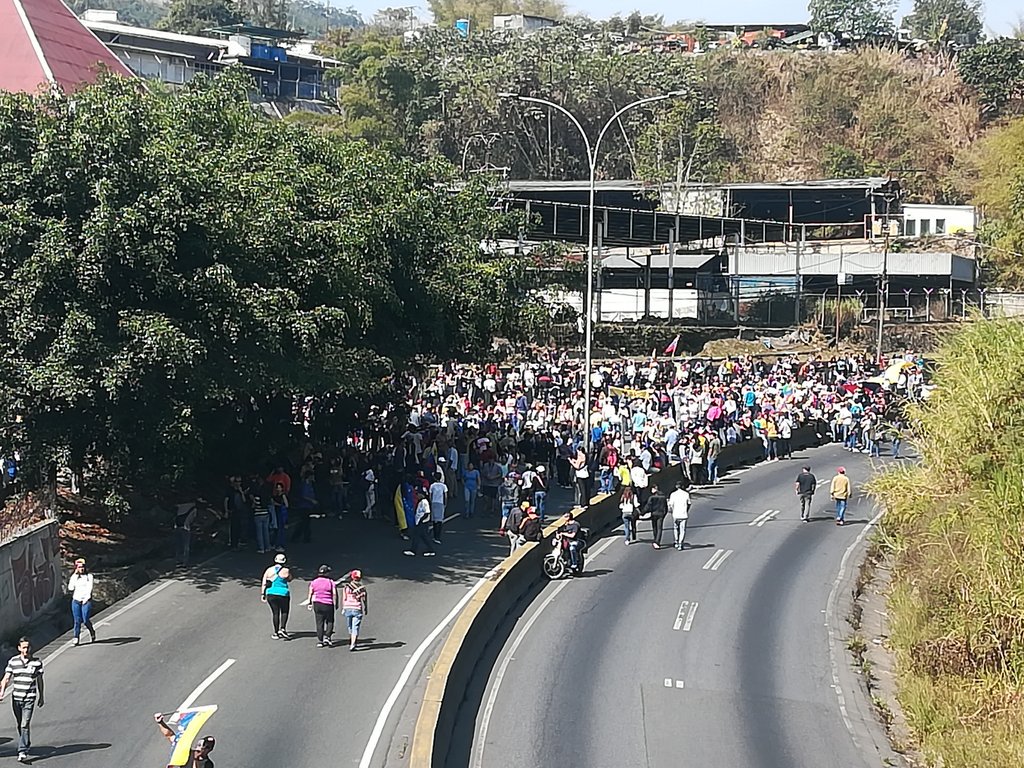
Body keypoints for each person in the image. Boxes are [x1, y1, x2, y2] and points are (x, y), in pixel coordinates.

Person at [0, 637, 44, 763]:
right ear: (19, 648)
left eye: (28, 647)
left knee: (25, 724)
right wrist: (2, 691)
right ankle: (26, 741)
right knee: (20, 724)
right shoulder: (13, 662)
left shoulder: (37, 663)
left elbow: (40, 680)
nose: (26, 650)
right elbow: (6, 678)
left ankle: (22, 750)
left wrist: (41, 696)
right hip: (16, 698)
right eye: (23, 647)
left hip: (29, 698)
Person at [261, 553, 293, 639]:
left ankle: (276, 632)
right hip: (283, 593)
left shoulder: (268, 570)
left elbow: (264, 582)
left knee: (275, 613)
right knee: (284, 611)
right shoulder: (286, 570)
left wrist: (263, 594)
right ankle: (283, 628)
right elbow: (290, 579)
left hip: (271, 593)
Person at [307, 565, 338, 648]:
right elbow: (334, 594)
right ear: (327, 573)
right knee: (330, 621)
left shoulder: (314, 582)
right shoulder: (331, 582)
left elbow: (310, 593)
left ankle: (320, 641)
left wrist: (309, 603)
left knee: (319, 622)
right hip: (328, 603)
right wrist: (336, 603)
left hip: (317, 603)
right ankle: (328, 636)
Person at [68, 558, 96, 646]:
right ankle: (76, 637)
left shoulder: (89, 576)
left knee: (85, 619)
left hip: (86, 601)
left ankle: (91, 631)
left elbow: (89, 589)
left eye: (83, 567)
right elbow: (70, 588)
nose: (81, 569)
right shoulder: (75, 577)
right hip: (76, 600)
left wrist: (86, 599)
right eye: (79, 567)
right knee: (77, 620)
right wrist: (75, 576)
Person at [341, 569, 368, 651]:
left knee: (350, 626)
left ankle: (351, 639)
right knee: (355, 626)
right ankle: (353, 643)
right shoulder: (362, 588)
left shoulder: (347, 587)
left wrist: (343, 607)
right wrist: (366, 608)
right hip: (357, 608)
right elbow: (364, 599)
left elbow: (344, 598)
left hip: (348, 608)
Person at [404, 489, 436, 557]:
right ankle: (431, 550)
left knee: (417, 536)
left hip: (422, 522)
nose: (417, 496)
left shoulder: (424, 502)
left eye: (418, 494)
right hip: (420, 522)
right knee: (424, 537)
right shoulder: (421, 501)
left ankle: (413, 550)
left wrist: (421, 520)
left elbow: (427, 512)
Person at [644, 485, 669, 550]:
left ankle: (656, 540)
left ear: (655, 489)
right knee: (659, 528)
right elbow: (666, 507)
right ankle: (657, 541)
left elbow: (648, 506)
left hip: (654, 514)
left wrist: (642, 513)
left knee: (654, 527)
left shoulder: (652, 497)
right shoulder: (663, 497)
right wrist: (664, 514)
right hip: (661, 514)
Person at [668, 480, 691, 551]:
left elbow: (670, 505)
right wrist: (686, 510)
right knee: (682, 530)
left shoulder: (673, 494)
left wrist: (671, 511)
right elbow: (689, 503)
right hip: (683, 514)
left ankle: (676, 541)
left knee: (675, 528)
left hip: (676, 514)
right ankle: (680, 543)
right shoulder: (686, 494)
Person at [173, 502, 197, 567]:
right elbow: (192, 519)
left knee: (178, 545)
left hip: (177, 527)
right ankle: (185, 562)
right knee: (186, 546)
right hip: (185, 528)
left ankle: (178, 561)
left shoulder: (180, 506)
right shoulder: (193, 508)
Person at [428, 472, 448, 544]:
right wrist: (445, 503)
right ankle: (438, 536)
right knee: (440, 520)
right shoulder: (443, 486)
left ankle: (434, 535)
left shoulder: (432, 486)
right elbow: (445, 496)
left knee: (434, 520)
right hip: (440, 503)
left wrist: (431, 502)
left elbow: (430, 495)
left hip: (434, 503)